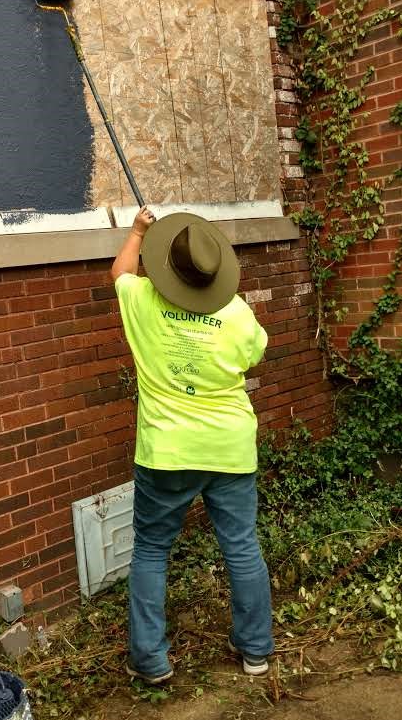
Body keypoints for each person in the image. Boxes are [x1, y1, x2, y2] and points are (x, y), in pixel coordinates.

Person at [110, 205, 274, 685]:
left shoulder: (141, 299)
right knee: (241, 547)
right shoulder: (238, 312)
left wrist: (139, 232)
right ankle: (256, 651)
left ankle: (150, 660)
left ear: (167, 270)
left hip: (167, 451)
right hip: (229, 447)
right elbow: (257, 352)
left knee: (152, 550)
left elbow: (120, 272)